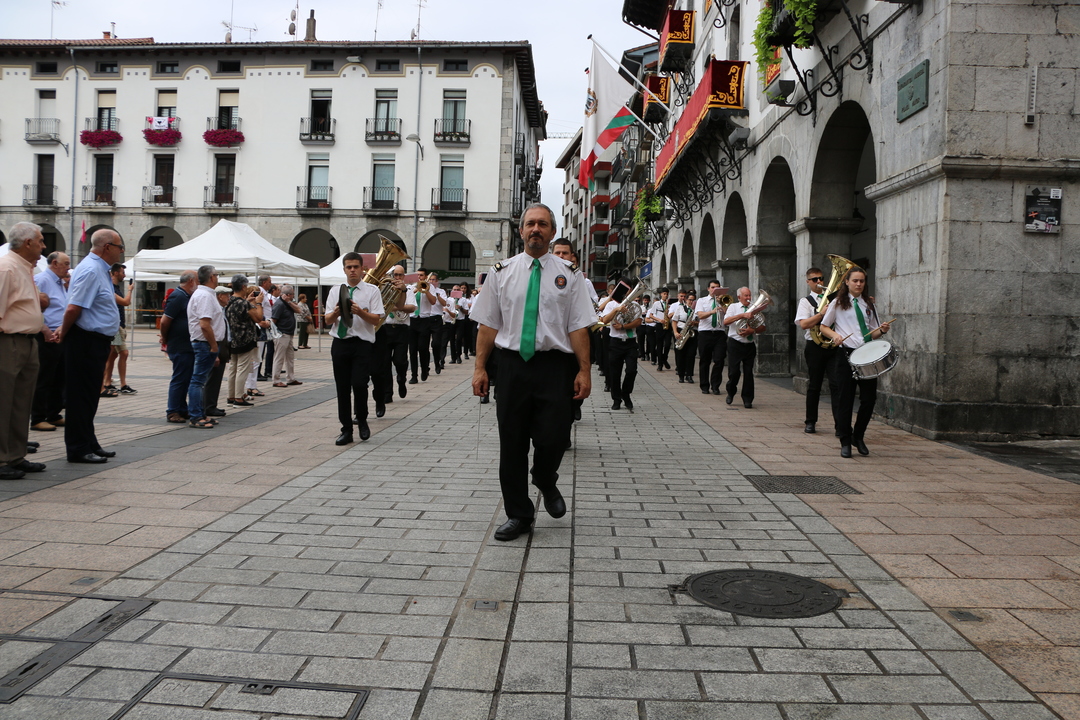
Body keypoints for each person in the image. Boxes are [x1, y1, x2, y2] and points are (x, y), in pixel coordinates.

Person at [471, 204, 594, 541]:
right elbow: (488, 325)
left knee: (554, 436)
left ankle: (544, 476)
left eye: (542, 224)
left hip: (555, 366)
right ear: (521, 230)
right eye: (530, 224)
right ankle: (519, 515)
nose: (535, 229)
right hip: (512, 365)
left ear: (552, 232)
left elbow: (579, 326)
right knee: (512, 443)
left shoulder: (570, 275)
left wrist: (584, 371)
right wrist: (480, 368)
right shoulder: (501, 272)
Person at [56, 228, 123, 464]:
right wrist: (63, 333)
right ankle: (78, 447)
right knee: (81, 396)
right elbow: (74, 307)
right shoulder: (91, 270)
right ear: (107, 247)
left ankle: (88, 441)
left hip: (94, 341)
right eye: (120, 247)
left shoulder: (99, 269)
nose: (121, 251)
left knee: (89, 395)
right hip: (84, 340)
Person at [820, 267, 891, 458]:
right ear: (847, 282)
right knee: (845, 399)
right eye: (855, 281)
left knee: (869, 399)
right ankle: (845, 440)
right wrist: (835, 335)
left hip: (866, 355)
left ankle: (858, 436)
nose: (859, 284)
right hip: (846, 354)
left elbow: (872, 332)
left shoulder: (869, 304)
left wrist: (882, 330)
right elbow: (824, 326)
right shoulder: (837, 302)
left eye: (862, 281)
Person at [0, 222, 52, 479]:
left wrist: (40, 327)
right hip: (8, 342)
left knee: (21, 402)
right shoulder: (6, 268)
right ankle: (2, 459)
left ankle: (15, 455)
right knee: (4, 402)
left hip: (27, 341)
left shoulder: (25, 268)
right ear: (28, 242)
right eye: (40, 241)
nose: (44, 245)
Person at [324, 252, 385, 445]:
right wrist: (336, 312)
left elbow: (377, 319)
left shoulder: (372, 290)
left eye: (355, 267)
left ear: (362, 269)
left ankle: (362, 419)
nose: (352, 270)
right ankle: (346, 429)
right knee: (342, 388)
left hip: (362, 343)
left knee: (359, 384)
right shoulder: (335, 290)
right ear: (344, 269)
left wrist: (359, 312)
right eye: (349, 267)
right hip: (340, 342)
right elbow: (327, 320)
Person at [795, 267, 841, 434]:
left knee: (837, 385)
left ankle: (840, 425)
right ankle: (810, 422)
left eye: (821, 278)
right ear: (808, 282)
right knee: (814, 385)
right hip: (814, 347)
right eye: (815, 279)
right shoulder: (806, 302)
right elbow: (803, 324)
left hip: (833, 345)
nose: (819, 282)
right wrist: (821, 314)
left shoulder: (834, 299)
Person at [30, 250, 70, 432]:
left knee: (59, 377)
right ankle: (38, 417)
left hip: (60, 334)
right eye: (66, 263)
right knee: (44, 377)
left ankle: (53, 413)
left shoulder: (60, 282)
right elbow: (34, 307)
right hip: (47, 335)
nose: (68, 267)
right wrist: (44, 328)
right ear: (55, 264)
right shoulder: (42, 280)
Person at [185, 265, 225, 429]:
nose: (218, 278)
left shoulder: (205, 294)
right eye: (217, 275)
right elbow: (204, 324)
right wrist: (214, 346)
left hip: (204, 343)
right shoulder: (204, 296)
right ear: (212, 277)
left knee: (200, 380)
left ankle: (200, 414)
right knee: (198, 381)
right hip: (204, 343)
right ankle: (196, 416)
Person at [159, 270, 198, 424]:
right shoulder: (178, 296)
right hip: (179, 344)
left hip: (186, 344)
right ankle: (173, 410)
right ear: (191, 281)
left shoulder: (186, 296)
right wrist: (165, 338)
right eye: (197, 281)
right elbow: (165, 321)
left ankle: (182, 408)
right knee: (180, 378)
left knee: (185, 378)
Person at [375, 264, 416, 404]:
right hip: (385, 329)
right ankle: (387, 393)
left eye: (400, 275)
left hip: (401, 329)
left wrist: (394, 306)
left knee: (400, 360)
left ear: (404, 276)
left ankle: (401, 378)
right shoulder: (382, 289)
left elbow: (412, 308)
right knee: (384, 363)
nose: (397, 277)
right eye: (395, 274)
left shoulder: (407, 290)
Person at [601, 278, 643, 412]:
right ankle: (616, 399)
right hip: (615, 342)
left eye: (629, 289)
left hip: (630, 342)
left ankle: (626, 394)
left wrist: (624, 326)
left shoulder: (635, 305)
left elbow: (638, 321)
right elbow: (605, 320)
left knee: (632, 370)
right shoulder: (611, 304)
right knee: (615, 373)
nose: (626, 292)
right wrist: (617, 310)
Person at [723, 286, 767, 408]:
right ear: (739, 297)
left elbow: (763, 327)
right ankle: (731, 391)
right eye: (746, 295)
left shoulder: (755, 310)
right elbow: (726, 322)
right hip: (735, 344)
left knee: (748, 373)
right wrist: (742, 315)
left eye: (749, 295)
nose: (749, 298)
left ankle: (748, 399)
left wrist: (752, 330)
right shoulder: (733, 307)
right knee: (734, 372)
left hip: (749, 344)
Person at [225, 277, 262, 407]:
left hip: (232, 338)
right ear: (243, 287)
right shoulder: (244, 304)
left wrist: (249, 301)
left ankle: (231, 396)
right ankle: (238, 397)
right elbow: (258, 318)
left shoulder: (229, 301)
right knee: (242, 368)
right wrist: (258, 303)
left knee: (233, 368)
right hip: (245, 339)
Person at [101, 263, 135, 397]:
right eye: (122, 272)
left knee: (112, 355)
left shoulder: (115, 288)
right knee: (124, 353)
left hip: (119, 325)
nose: (124, 275)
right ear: (115, 273)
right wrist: (130, 290)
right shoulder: (111, 289)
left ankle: (107, 381)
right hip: (115, 326)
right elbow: (126, 302)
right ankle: (122, 384)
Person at [407, 267, 443, 383]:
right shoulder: (410, 287)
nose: (419, 277)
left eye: (421, 275)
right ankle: (414, 375)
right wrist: (415, 290)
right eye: (418, 275)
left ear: (426, 277)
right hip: (412, 320)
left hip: (424, 320)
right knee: (412, 350)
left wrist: (425, 290)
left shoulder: (430, 287)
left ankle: (424, 369)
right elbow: (407, 301)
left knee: (423, 348)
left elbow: (433, 301)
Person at [202, 286, 234, 417]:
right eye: (227, 296)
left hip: (223, 345)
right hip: (216, 345)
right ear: (220, 296)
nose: (229, 298)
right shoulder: (216, 310)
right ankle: (208, 406)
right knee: (212, 378)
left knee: (216, 377)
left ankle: (211, 404)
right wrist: (214, 349)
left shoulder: (223, 309)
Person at [695, 280, 730, 396]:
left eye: (717, 287)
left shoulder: (723, 300)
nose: (715, 289)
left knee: (719, 360)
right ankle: (704, 385)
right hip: (705, 333)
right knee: (705, 360)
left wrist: (722, 304)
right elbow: (700, 315)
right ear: (708, 289)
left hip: (719, 333)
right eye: (713, 287)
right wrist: (712, 312)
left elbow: (728, 314)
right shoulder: (702, 300)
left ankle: (715, 385)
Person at [271, 284, 302, 387]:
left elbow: (299, 310)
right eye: (292, 294)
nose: (294, 296)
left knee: (290, 357)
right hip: (282, 334)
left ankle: (290, 378)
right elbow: (273, 320)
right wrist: (275, 334)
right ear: (288, 295)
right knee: (279, 357)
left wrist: (289, 302)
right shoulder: (279, 304)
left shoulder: (288, 303)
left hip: (288, 333)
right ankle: (276, 380)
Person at [670, 289, 698, 383]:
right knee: (680, 354)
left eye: (693, 300)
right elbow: (674, 321)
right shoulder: (680, 308)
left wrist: (695, 323)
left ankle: (689, 375)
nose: (691, 302)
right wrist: (675, 332)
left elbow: (701, 322)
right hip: (681, 331)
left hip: (692, 332)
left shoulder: (696, 310)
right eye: (690, 300)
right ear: (686, 300)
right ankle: (681, 375)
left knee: (691, 354)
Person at [649, 288, 672, 371]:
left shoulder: (670, 304)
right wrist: (659, 320)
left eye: (667, 294)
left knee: (668, 344)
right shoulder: (657, 303)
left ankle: (664, 358)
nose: (666, 295)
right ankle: (660, 364)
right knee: (659, 345)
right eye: (664, 294)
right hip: (659, 325)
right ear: (661, 294)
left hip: (668, 325)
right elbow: (651, 315)